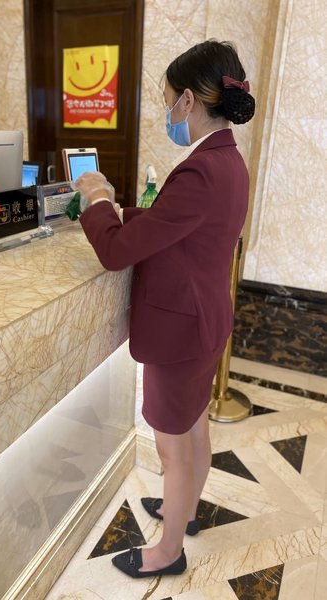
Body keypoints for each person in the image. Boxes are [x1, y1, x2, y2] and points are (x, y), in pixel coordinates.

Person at [73, 39, 255, 579]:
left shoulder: (200, 170)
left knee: (173, 451)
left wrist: (97, 200)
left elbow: (116, 253)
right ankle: (187, 512)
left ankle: (168, 550)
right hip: (204, 321)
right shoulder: (228, 161)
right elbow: (174, 225)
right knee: (194, 428)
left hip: (180, 332)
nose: (168, 109)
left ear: (190, 100)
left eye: (169, 98)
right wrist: (121, 210)